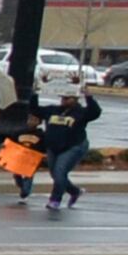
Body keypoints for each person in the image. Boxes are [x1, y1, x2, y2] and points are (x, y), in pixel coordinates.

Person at [39, 80, 99, 211]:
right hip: (53, 146)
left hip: (73, 146)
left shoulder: (80, 112)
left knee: (60, 171)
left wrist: (88, 96)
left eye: (67, 98)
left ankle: (54, 200)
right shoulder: (53, 110)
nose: (64, 100)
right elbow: (35, 109)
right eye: (62, 98)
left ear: (75, 99)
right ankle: (74, 191)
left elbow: (95, 112)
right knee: (55, 174)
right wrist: (36, 91)